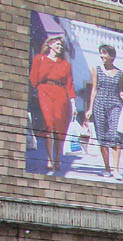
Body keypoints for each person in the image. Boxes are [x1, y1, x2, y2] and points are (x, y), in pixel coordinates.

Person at [30, 33, 76, 175]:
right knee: (49, 124)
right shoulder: (40, 58)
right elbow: (33, 78)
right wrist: (36, 91)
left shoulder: (65, 65)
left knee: (59, 128)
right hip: (44, 92)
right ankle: (49, 159)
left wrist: (73, 104)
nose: (60, 46)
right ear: (49, 44)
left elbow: (70, 84)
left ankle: (57, 159)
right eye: (57, 43)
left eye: (61, 45)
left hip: (61, 95)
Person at [85, 44, 123, 180]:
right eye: (100, 53)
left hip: (115, 104)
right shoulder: (96, 69)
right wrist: (90, 108)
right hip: (99, 104)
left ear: (112, 56)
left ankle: (116, 169)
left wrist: (122, 95)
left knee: (115, 136)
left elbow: (120, 89)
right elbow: (94, 89)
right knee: (102, 136)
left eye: (104, 53)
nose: (102, 56)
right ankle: (107, 168)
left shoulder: (120, 73)